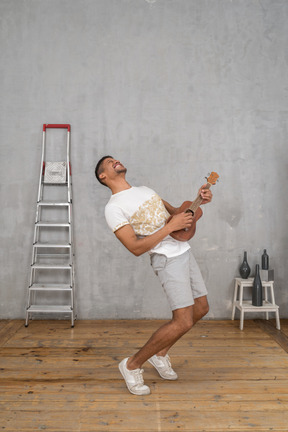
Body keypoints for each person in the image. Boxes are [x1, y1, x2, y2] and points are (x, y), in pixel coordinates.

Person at [95, 156, 213, 395]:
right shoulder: (114, 208)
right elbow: (136, 248)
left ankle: (159, 355)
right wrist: (170, 228)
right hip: (166, 259)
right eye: (109, 162)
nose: (116, 160)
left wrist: (200, 200)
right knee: (183, 321)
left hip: (184, 251)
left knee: (201, 309)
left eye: (115, 158)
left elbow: (178, 215)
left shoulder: (145, 190)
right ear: (103, 176)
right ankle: (131, 365)